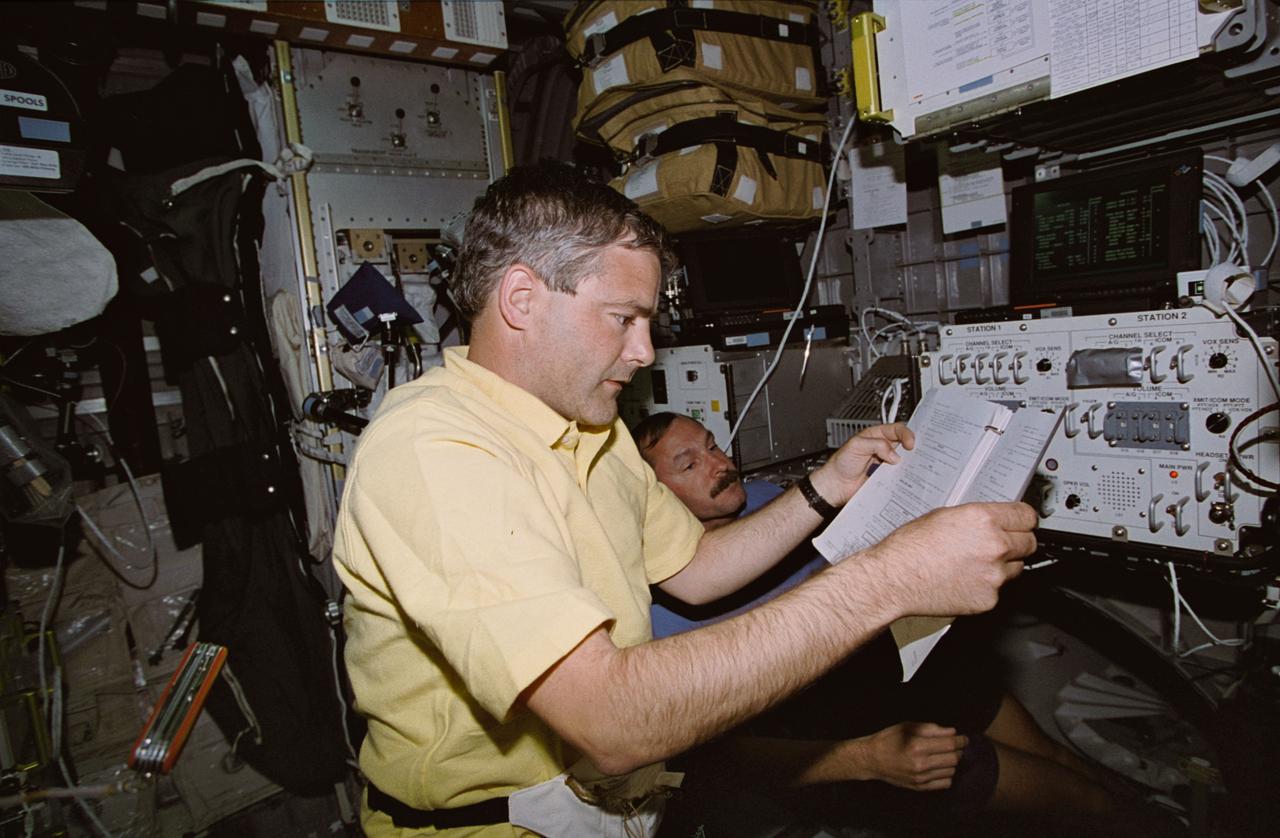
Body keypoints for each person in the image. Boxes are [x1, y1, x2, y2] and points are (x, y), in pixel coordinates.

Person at [330, 161, 1037, 837]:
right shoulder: (435, 452)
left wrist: (824, 489)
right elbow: (610, 720)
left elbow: (696, 569)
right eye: (622, 319)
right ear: (521, 298)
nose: (644, 352)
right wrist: (889, 580)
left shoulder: (590, 430)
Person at [635, 411, 1161, 836]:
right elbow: (717, 756)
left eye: (711, 444)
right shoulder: (662, 612)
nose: (718, 463)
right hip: (843, 735)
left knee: (1058, 759)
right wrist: (862, 758)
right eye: (688, 464)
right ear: (653, 501)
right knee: (1077, 803)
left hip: (905, 666)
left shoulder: (777, 503)